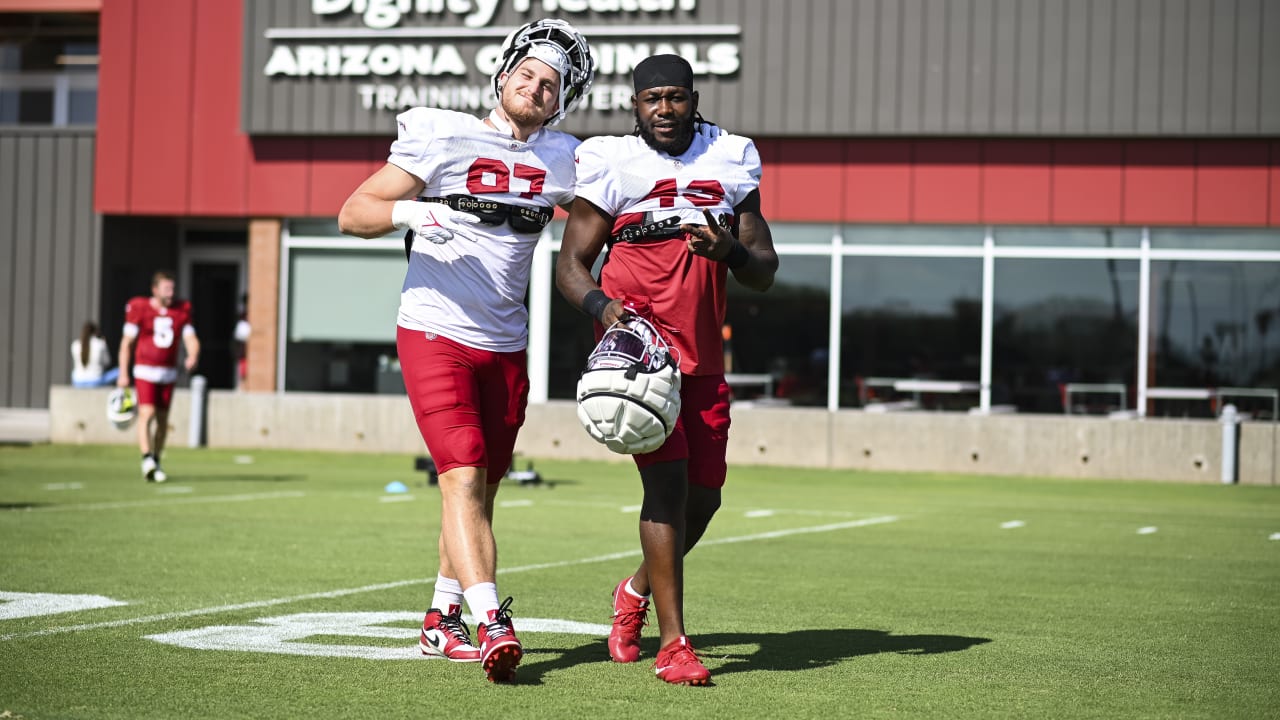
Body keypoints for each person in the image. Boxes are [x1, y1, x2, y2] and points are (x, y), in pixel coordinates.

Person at [336, 18, 595, 684]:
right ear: (504, 74)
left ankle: (440, 619)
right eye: (529, 75)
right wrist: (408, 213)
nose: (536, 89)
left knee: (481, 489)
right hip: (435, 329)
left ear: (560, 102)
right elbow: (352, 211)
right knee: (461, 474)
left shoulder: (562, 158)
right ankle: (490, 623)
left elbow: (604, 217)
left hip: (506, 342)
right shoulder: (443, 134)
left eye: (550, 85)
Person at [555, 54, 779, 686]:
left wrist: (730, 248)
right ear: (635, 104)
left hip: (704, 358)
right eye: (651, 98)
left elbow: (764, 268)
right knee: (669, 488)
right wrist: (605, 309)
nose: (664, 109)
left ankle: (634, 589)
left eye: (675, 98)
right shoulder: (609, 159)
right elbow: (571, 266)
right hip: (642, 356)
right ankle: (674, 644)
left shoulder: (731, 155)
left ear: (692, 98)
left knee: (704, 499)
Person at [117, 270, 200, 483]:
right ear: (155, 289)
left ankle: (156, 459)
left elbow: (191, 338)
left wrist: (193, 355)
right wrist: (123, 373)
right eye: (166, 288)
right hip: (145, 369)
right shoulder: (140, 307)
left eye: (173, 288)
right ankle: (146, 458)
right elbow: (127, 343)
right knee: (148, 412)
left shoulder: (182, 310)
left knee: (163, 421)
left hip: (168, 372)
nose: (171, 293)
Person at [71, 321, 119, 388]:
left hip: (77, 381)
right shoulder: (100, 343)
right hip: (95, 381)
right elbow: (107, 362)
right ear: (95, 332)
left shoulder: (75, 344)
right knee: (119, 371)